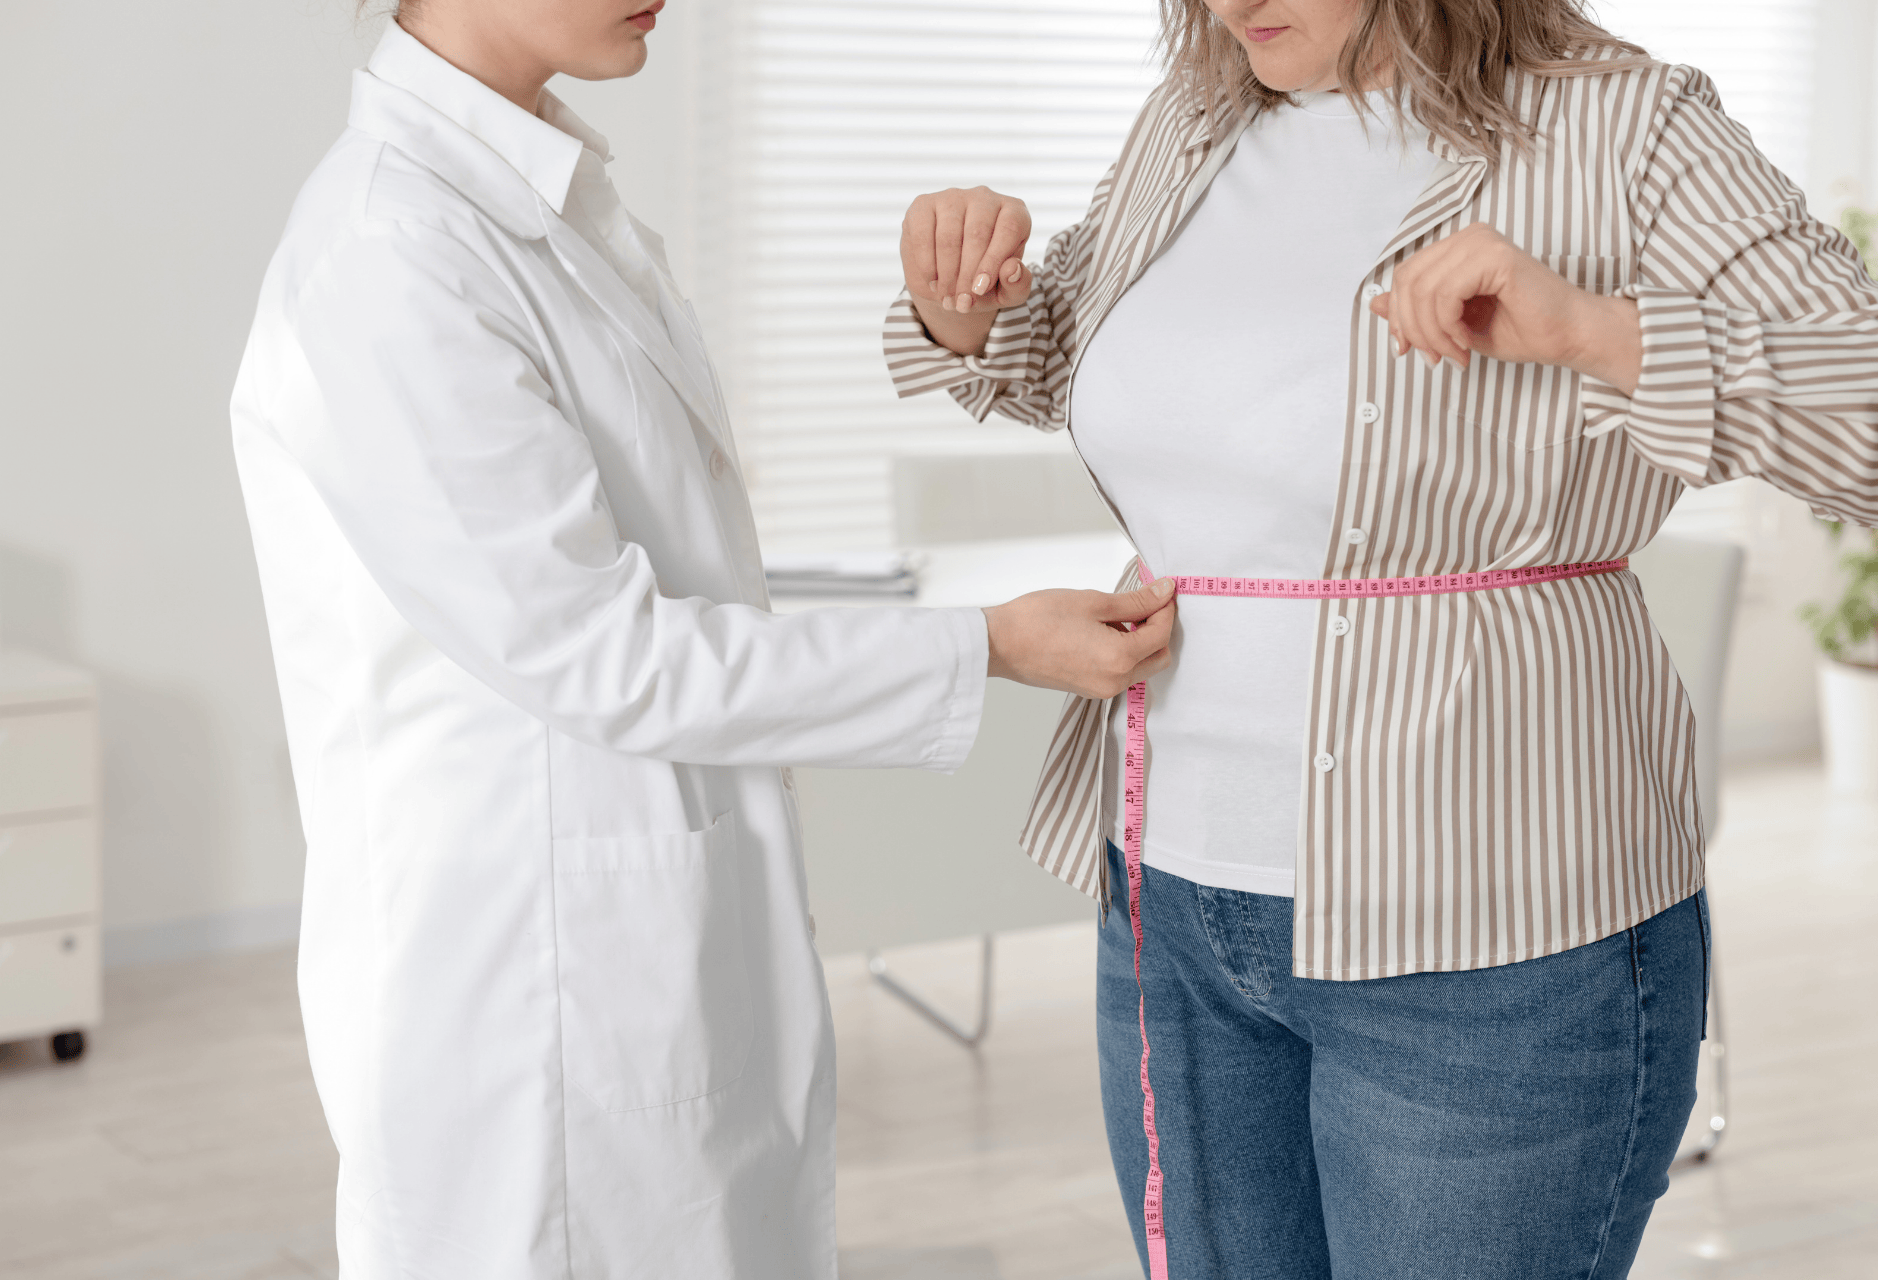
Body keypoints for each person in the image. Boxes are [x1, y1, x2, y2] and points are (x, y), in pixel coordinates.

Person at [887, 0, 1878, 1276]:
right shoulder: (1197, 119)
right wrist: (967, 310)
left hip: (1495, 933)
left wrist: (1592, 331)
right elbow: (1073, 363)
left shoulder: (1626, 127)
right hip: (1176, 902)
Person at [229, 2, 1177, 1275]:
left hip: (632, 952)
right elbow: (603, 653)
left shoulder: (530, 201)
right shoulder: (389, 248)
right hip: (524, 994)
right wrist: (988, 646)